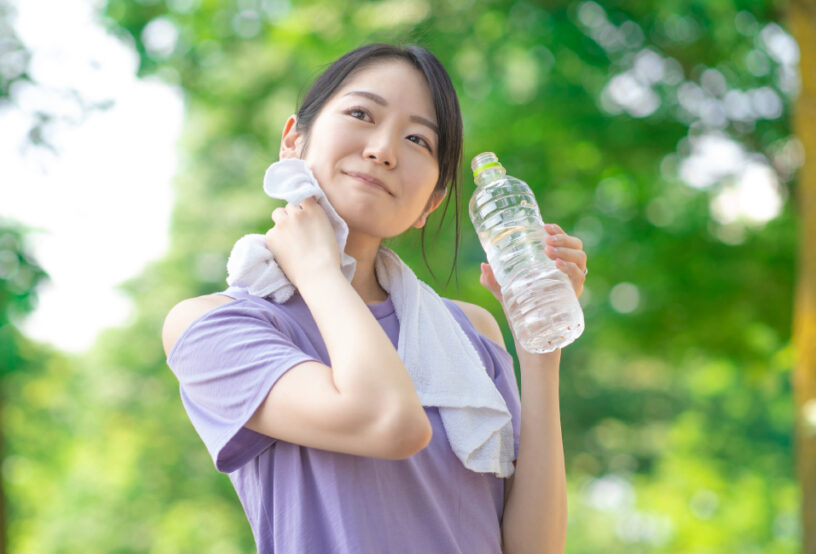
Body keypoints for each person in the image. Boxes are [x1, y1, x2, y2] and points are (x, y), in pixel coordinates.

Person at [161, 43, 587, 554]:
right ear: (293, 141)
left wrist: (540, 352)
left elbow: (533, 549)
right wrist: (318, 271)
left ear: (431, 202)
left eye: (416, 140)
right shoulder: (215, 325)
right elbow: (389, 421)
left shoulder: (471, 332)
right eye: (361, 114)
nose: (383, 149)